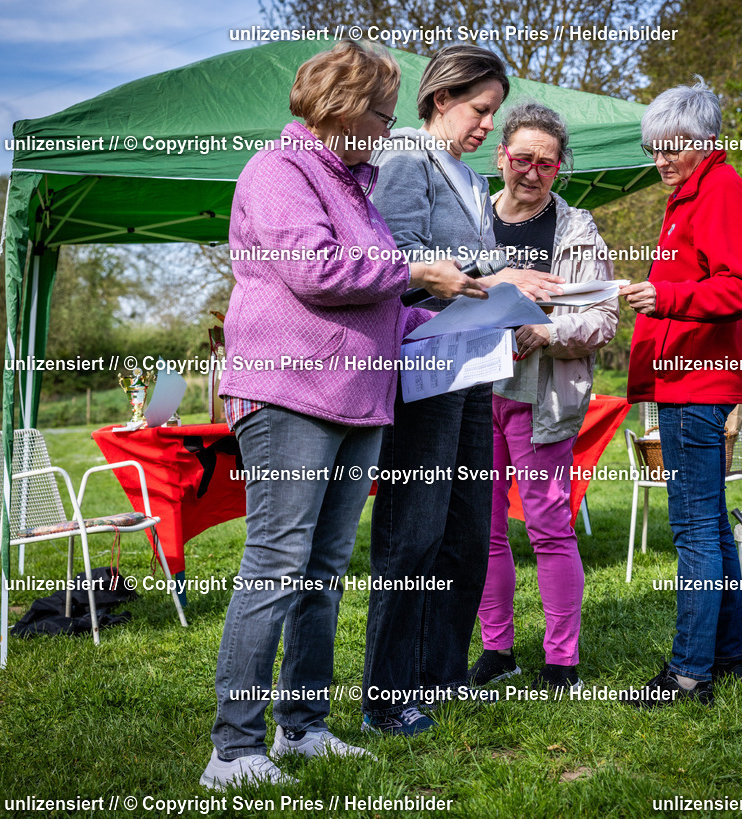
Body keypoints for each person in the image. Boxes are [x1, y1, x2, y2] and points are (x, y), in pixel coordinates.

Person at [202, 41, 482, 789]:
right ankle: (232, 749)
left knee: (323, 572)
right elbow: (316, 271)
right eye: (382, 116)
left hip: (359, 399)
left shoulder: (357, 186)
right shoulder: (280, 171)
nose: (389, 132)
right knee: (277, 564)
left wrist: (468, 316)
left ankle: (303, 728)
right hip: (290, 392)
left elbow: (383, 300)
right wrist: (419, 270)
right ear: (341, 107)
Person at [362, 46, 562, 736]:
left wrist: (518, 286)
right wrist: (500, 274)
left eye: (493, 113)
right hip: (422, 367)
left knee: (467, 532)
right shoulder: (404, 159)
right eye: (480, 110)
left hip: (473, 368)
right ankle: (387, 695)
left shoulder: (473, 182)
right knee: (412, 533)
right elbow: (399, 258)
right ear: (442, 97)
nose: (487, 125)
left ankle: (440, 675)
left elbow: (475, 265)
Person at [619, 77, 742, 708]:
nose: (661, 160)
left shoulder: (720, 191)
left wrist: (666, 296)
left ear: (703, 139)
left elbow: (741, 287)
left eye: (670, 147)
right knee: (714, 532)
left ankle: (687, 675)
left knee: (695, 531)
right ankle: (724, 660)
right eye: (654, 149)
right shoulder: (688, 197)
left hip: (697, 382)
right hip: (684, 379)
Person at [468, 102, 618, 691]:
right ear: (500, 156)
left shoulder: (576, 229)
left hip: (542, 396)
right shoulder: (472, 218)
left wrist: (547, 331)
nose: (531, 172)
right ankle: (497, 651)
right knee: (483, 528)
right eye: (522, 158)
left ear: (559, 169)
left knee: (549, 525)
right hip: (474, 392)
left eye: (546, 163)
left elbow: (603, 317)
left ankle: (561, 662)